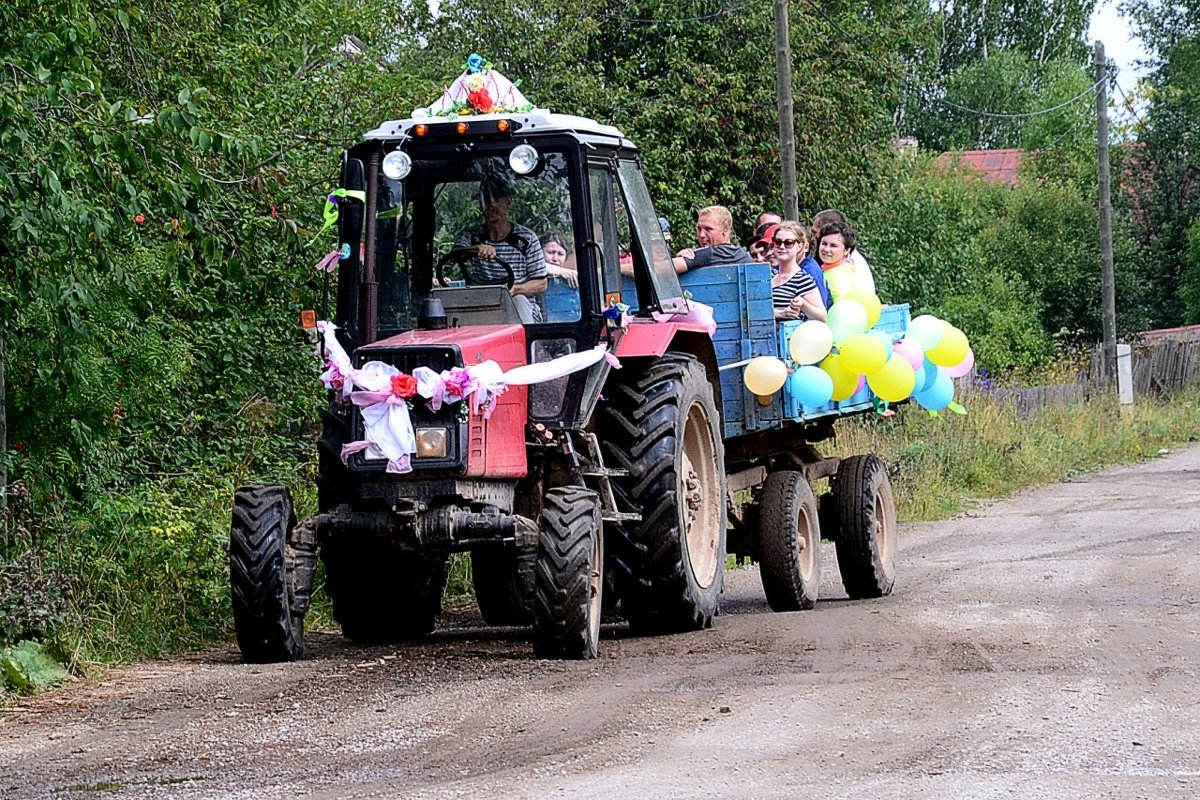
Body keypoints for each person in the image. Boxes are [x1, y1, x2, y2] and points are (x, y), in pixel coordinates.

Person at [455, 175, 548, 321]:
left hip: (520, 306)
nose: (492, 205)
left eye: (497, 200)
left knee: (518, 301)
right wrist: (476, 249)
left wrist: (515, 289)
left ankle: (525, 342)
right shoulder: (471, 236)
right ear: (480, 205)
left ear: (508, 202)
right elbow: (455, 255)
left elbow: (541, 283)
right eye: (486, 200)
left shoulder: (526, 238)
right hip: (482, 305)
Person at [770, 222, 826, 322]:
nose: (782, 247)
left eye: (789, 243)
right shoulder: (768, 275)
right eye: (778, 242)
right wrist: (779, 313)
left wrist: (803, 304)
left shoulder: (802, 279)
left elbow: (822, 316)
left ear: (800, 247)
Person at [672, 205, 752, 273]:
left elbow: (666, 269)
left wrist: (679, 258)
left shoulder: (708, 255)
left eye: (708, 229)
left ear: (725, 230)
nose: (702, 235)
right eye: (699, 229)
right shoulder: (744, 256)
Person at [811, 209, 875, 293]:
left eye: (815, 233)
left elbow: (841, 302)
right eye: (824, 243)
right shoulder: (837, 261)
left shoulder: (841, 270)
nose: (812, 238)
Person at [815, 221, 871, 304]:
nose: (826, 249)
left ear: (846, 250)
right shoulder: (845, 268)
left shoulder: (837, 274)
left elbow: (842, 307)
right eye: (824, 243)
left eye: (833, 246)